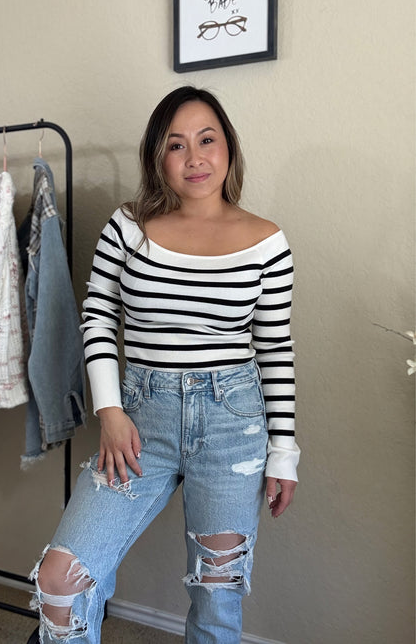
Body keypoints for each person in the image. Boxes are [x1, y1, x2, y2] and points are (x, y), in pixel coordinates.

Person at [30, 86, 300, 643]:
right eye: (176, 145)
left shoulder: (267, 243)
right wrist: (109, 410)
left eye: (207, 140)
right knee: (61, 580)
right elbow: (99, 313)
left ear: (229, 147)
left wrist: (284, 453)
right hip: (137, 422)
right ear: (158, 157)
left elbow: (274, 349)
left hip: (234, 427)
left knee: (217, 599)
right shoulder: (128, 228)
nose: (195, 157)